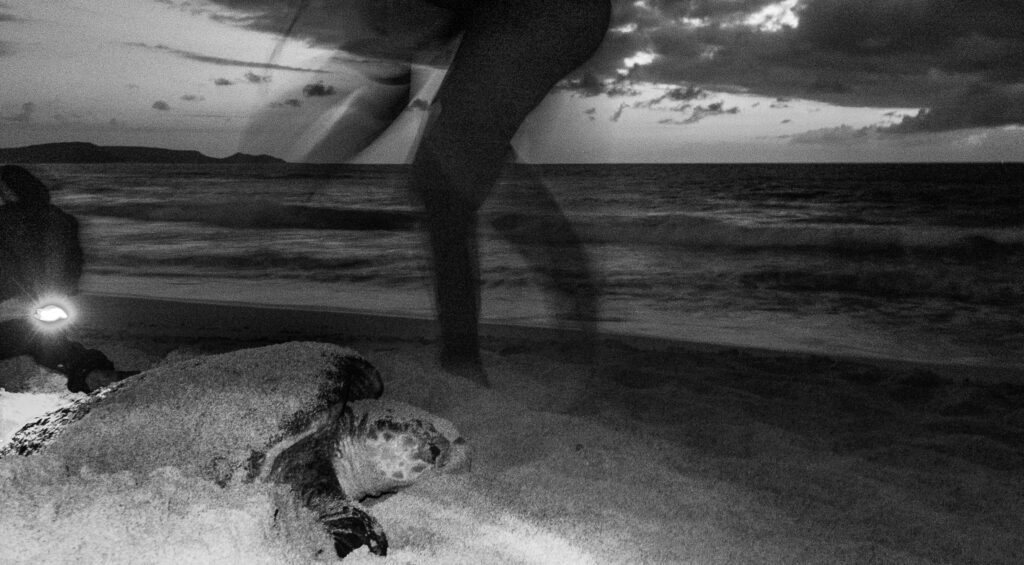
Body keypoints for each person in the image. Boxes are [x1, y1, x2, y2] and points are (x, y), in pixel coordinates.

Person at [0, 165, 124, 393]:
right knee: (50, 345)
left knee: (41, 343)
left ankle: (91, 374)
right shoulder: (63, 219)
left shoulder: (8, 220)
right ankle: (94, 374)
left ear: (9, 191)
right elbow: (73, 263)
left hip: (23, 302)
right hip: (50, 302)